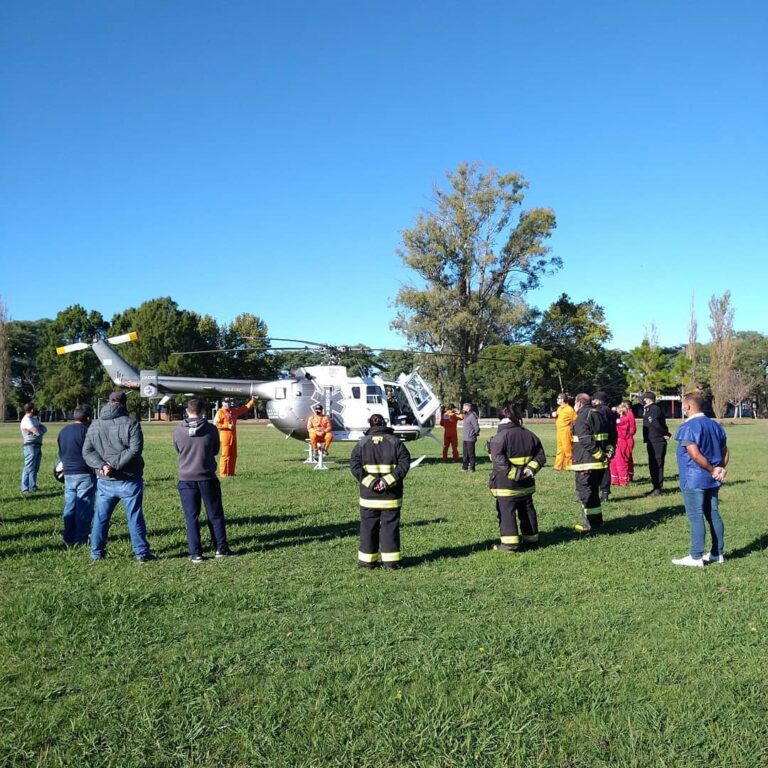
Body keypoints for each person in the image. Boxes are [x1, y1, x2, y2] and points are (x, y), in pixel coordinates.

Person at [82, 391, 156, 562]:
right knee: (134, 516)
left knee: (101, 517)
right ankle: (141, 553)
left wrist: (103, 466)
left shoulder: (94, 425)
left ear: (109, 402)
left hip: (105, 480)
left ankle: (96, 552)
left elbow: (87, 451)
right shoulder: (131, 423)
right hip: (129, 478)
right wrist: (113, 465)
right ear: (124, 404)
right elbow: (135, 450)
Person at [671, 391, 729, 567]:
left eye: (683, 404)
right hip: (712, 479)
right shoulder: (716, 425)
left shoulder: (688, 427)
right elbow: (725, 451)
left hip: (693, 478)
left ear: (687, 406)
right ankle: (717, 554)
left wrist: (712, 469)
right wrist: (720, 469)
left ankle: (696, 557)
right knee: (713, 514)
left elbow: (694, 454)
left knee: (696, 515)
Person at [173, 398, 233, 563]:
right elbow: (215, 450)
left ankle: (195, 553)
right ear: (203, 411)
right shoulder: (211, 429)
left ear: (187, 411)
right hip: (207, 476)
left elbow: (178, 448)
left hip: (186, 478)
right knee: (215, 514)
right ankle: (221, 548)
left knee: (191, 517)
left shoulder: (178, 430)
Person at [349, 413, 411, 569]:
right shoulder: (396, 442)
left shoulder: (361, 444)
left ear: (370, 424)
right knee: (390, 528)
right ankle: (391, 563)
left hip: (368, 497)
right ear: (385, 423)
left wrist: (372, 483)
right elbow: (404, 464)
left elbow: (354, 466)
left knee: (367, 528)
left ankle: (366, 562)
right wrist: (386, 482)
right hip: (391, 495)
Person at [488, 403, 546, 552]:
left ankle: (509, 544)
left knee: (507, 513)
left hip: (507, 486)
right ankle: (531, 539)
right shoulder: (530, 434)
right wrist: (529, 470)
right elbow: (541, 455)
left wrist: (517, 474)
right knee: (527, 511)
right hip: (526, 484)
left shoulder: (499, 437)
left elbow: (500, 463)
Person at [570, 393, 610, 532]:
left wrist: (599, 455)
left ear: (579, 403)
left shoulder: (582, 417)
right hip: (599, 464)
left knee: (585, 495)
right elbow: (610, 435)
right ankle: (597, 522)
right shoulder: (599, 414)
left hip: (586, 463)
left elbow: (585, 440)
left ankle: (588, 524)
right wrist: (607, 452)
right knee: (593, 494)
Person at [56, 404, 95, 545]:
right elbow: (92, 453)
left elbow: (61, 453)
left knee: (70, 506)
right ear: (88, 418)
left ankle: (68, 537)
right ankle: (81, 538)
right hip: (84, 473)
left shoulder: (63, 431)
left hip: (68, 473)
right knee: (84, 508)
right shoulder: (87, 432)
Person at [213, 397, 255, 476]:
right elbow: (215, 424)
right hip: (225, 438)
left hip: (233, 437)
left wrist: (252, 401)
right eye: (226, 402)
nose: (228, 403)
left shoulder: (233, 411)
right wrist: (227, 426)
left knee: (233, 455)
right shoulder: (220, 412)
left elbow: (244, 409)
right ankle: (223, 473)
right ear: (222, 403)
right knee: (225, 455)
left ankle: (231, 473)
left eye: (229, 402)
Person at [641, 391, 671, 496]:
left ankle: (658, 488)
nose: (642, 400)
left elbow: (656, 424)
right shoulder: (648, 409)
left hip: (657, 441)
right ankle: (655, 487)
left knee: (657, 464)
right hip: (651, 440)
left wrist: (666, 433)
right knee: (652, 464)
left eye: (643, 398)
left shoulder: (654, 409)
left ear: (648, 399)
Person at [591, 391, 617, 502]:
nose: (592, 401)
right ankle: (605, 493)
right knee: (605, 467)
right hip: (609, 441)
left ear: (599, 400)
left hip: (602, 442)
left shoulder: (601, 410)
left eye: (594, 399)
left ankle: (603, 493)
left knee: (602, 469)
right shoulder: (608, 410)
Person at [20, 403, 47, 493]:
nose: (36, 409)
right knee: (28, 467)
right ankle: (25, 488)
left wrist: (36, 431)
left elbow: (44, 429)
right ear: (31, 410)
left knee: (35, 467)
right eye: (34, 408)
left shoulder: (34, 419)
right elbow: (36, 431)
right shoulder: (26, 420)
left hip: (38, 445)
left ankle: (33, 486)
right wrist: (36, 430)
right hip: (30, 446)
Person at [610, 401, 637, 486]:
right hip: (620, 440)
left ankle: (623, 480)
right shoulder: (624, 416)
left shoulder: (627, 416)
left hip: (623, 440)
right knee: (615, 460)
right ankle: (616, 479)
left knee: (621, 461)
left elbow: (631, 428)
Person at [552, 393, 576, 471]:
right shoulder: (559, 408)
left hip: (566, 431)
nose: (557, 400)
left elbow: (575, 419)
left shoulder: (569, 409)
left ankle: (569, 466)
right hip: (559, 431)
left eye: (558, 398)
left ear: (562, 399)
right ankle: (558, 466)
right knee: (559, 449)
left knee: (567, 449)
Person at [461, 402, 480, 472]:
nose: (463, 409)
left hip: (470, 438)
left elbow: (477, 427)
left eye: (464, 408)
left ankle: (472, 468)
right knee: (465, 454)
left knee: (471, 454)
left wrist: (473, 434)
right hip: (465, 438)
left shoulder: (472, 416)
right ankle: (465, 468)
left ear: (467, 408)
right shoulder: (466, 415)